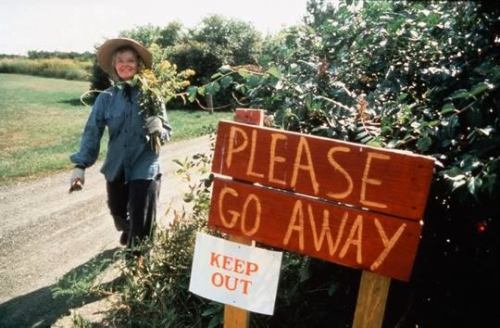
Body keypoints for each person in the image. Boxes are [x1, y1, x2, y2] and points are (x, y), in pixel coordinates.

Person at [69, 38, 171, 252]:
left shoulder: (151, 95)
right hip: (116, 165)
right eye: (121, 61)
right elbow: (92, 130)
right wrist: (80, 166)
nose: (126, 65)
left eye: (131, 61)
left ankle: (138, 261)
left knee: (141, 216)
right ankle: (130, 229)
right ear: (114, 66)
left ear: (138, 65)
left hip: (145, 163)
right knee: (117, 211)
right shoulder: (106, 98)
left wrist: (159, 129)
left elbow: (166, 133)